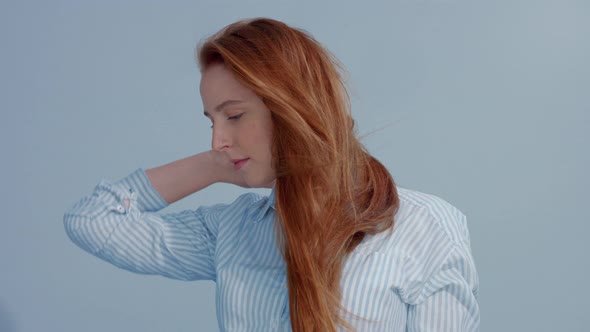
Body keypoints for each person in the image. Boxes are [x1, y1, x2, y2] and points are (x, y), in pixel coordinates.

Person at [63, 18, 480, 331]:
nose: (217, 139)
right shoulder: (230, 232)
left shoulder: (425, 226)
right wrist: (214, 165)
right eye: (211, 121)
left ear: (292, 110)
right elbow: (92, 221)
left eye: (235, 116)